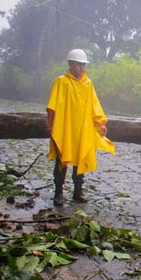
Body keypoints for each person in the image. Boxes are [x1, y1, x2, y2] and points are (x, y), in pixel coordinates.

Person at [45, 48, 115, 206]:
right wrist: (50, 126)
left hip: (82, 129)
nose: (82, 68)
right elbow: (52, 106)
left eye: (83, 65)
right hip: (65, 128)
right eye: (79, 65)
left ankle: (78, 192)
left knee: (81, 158)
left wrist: (101, 123)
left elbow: (94, 105)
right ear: (71, 64)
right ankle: (58, 193)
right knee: (61, 161)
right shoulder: (61, 82)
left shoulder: (88, 84)